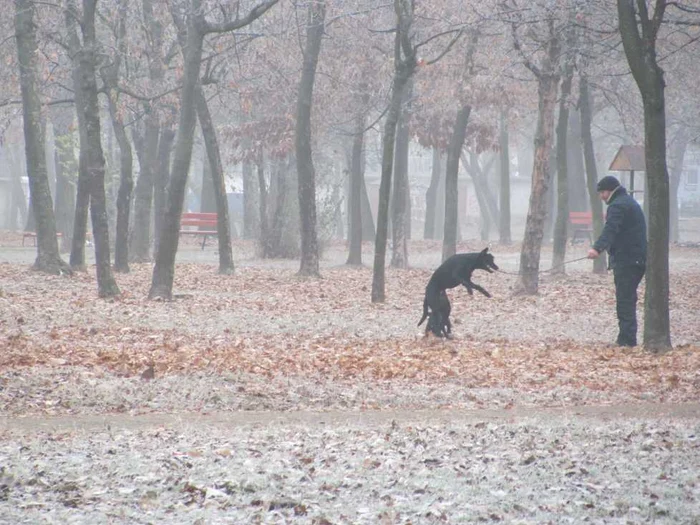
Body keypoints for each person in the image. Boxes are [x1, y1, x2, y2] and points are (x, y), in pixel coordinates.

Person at [587, 175, 647, 347]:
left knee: (625, 300)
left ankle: (627, 341)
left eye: (602, 193)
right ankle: (626, 338)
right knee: (627, 298)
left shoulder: (618, 205)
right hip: (635, 258)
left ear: (609, 191)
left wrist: (597, 248)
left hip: (628, 260)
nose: (601, 197)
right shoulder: (627, 202)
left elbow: (611, 229)